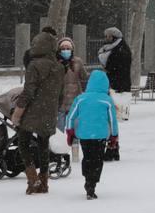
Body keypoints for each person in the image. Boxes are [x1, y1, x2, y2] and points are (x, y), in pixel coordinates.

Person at [13, 30, 65, 195]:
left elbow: (28, 92)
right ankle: (44, 182)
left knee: (23, 142)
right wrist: (55, 109)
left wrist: (17, 113)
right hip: (49, 111)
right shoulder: (59, 67)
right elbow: (60, 93)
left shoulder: (34, 65)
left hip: (32, 111)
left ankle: (32, 178)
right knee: (43, 145)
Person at [65, 69, 119, 200]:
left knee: (88, 157)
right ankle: (92, 183)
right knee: (98, 159)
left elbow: (70, 117)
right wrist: (114, 136)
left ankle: (87, 177)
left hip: (84, 135)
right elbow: (112, 120)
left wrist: (70, 131)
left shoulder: (80, 98)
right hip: (100, 135)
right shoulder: (107, 100)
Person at [99, 27, 133, 158]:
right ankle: (112, 146)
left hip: (117, 88)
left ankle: (112, 147)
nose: (106, 38)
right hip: (115, 86)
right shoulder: (117, 48)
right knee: (111, 119)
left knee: (112, 119)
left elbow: (115, 67)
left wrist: (107, 69)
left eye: (108, 36)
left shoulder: (120, 50)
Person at [57, 36, 90, 163]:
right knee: (59, 132)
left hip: (75, 103)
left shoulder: (77, 62)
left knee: (76, 131)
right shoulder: (56, 63)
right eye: (63, 48)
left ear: (72, 50)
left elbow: (84, 78)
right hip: (60, 104)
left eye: (68, 48)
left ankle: (75, 156)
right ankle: (59, 156)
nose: (66, 50)